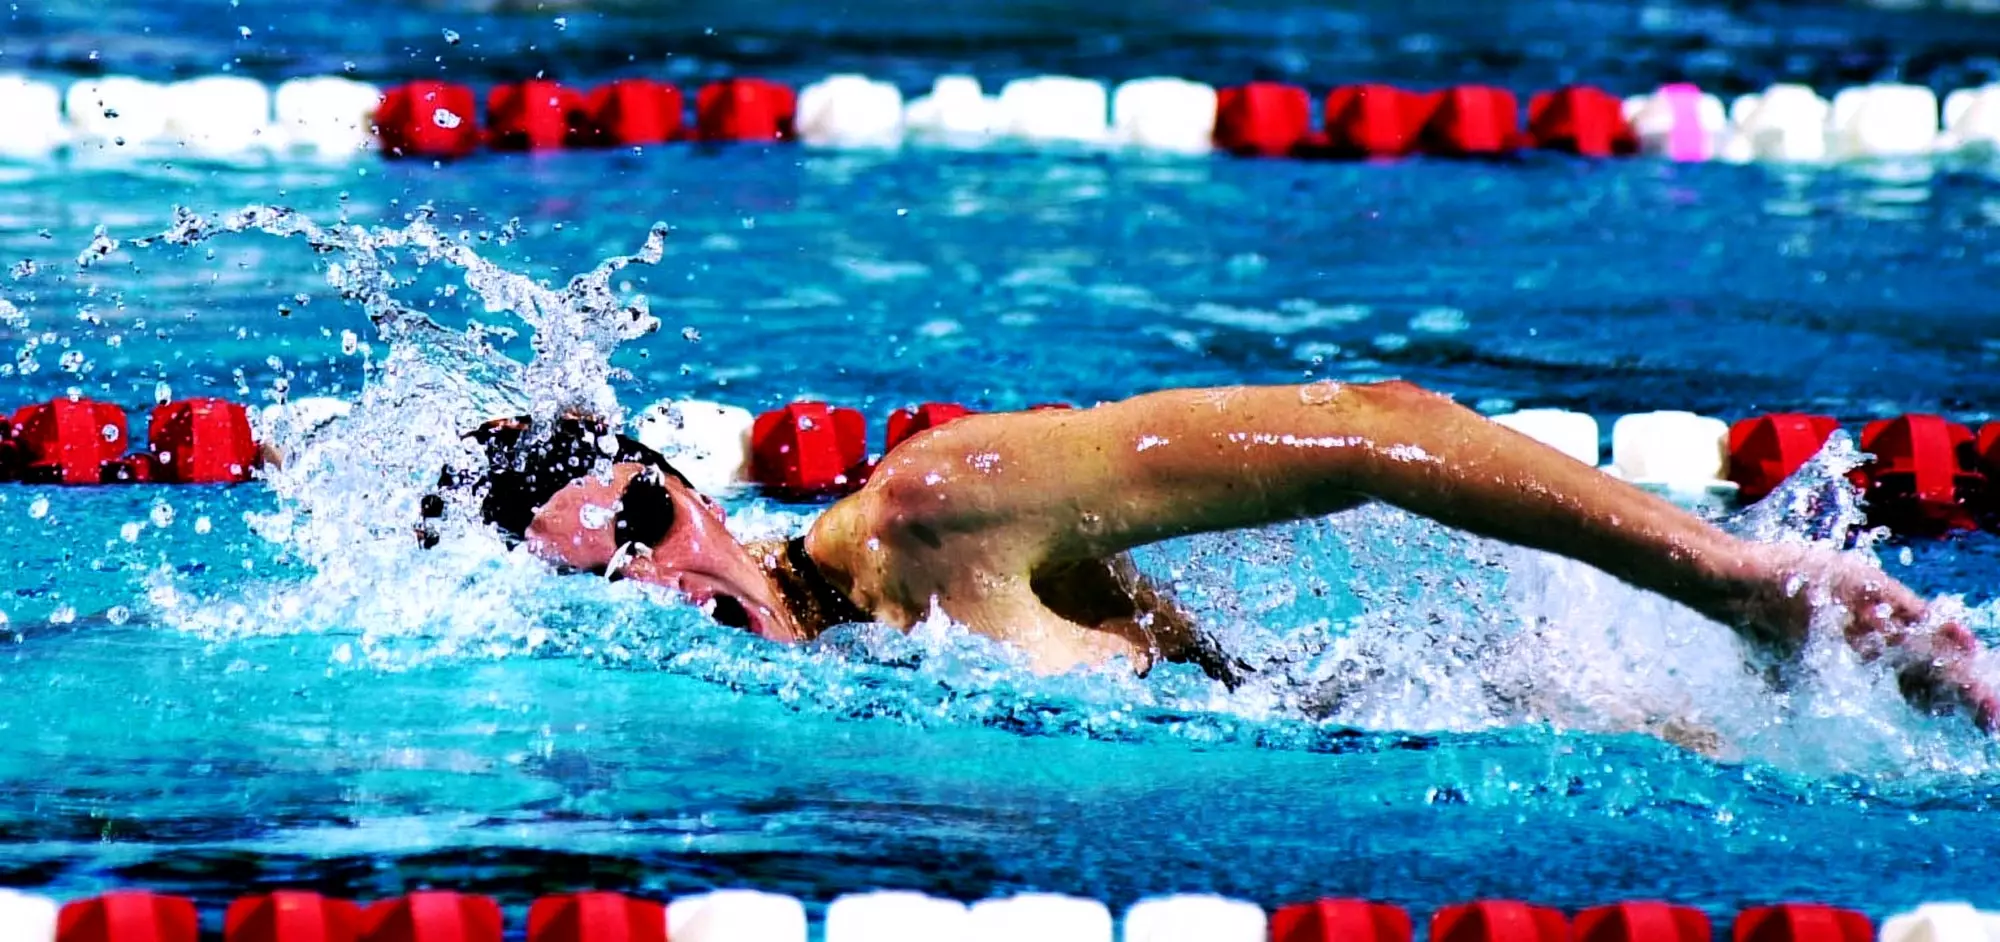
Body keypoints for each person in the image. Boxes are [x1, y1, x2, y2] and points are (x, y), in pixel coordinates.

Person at [427, 379, 2000, 733]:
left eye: (646, 516)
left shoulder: (932, 513)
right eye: (598, 574)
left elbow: (1368, 428)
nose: (664, 575)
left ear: (684, 483)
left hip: (1473, 735)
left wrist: (1726, 576)